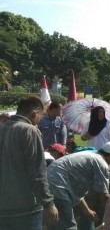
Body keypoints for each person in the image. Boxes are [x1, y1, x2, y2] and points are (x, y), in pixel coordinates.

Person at [0, 95, 58, 229]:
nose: (41, 119)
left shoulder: (2, 128)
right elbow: (37, 172)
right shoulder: (30, 131)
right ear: (34, 114)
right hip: (25, 207)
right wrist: (49, 203)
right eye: (41, 115)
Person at [47, 141, 110, 230]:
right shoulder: (101, 163)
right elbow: (104, 196)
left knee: (54, 221)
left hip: (49, 177)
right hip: (57, 183)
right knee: (69, 225)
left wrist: (87, 210)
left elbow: (76, 190)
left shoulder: (90, 155)